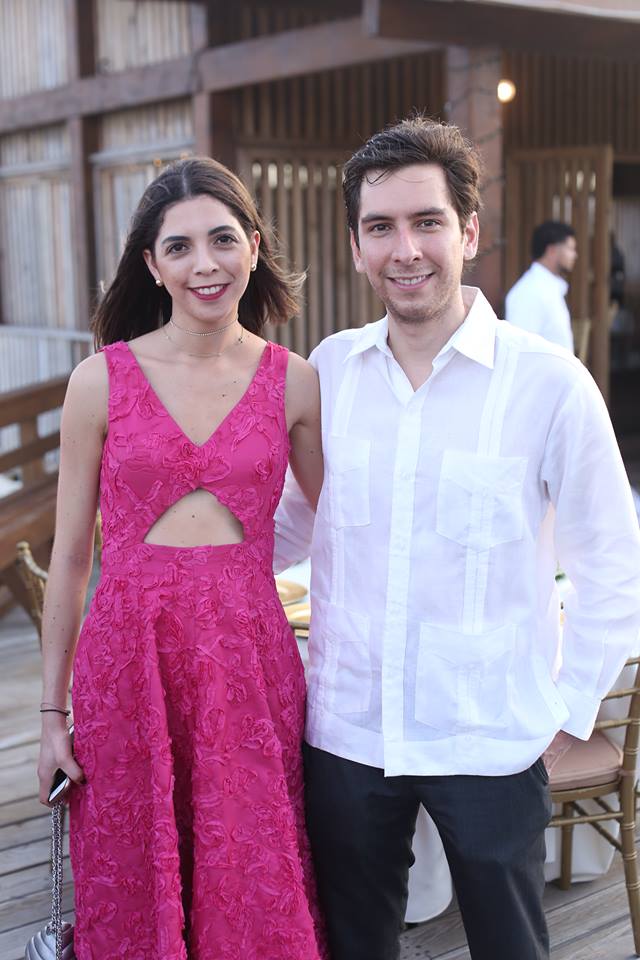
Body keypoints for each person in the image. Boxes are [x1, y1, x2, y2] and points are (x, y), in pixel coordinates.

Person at [273, 118, 640, 960]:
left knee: (510, 946)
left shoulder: (551, 384)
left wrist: (569, 709)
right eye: (380, 227)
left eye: (426, 222)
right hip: (348, 729)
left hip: (491, 735)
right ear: (357, 246)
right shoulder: (328, 372)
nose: (405, 250)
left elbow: (613, 567)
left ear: (469, 232)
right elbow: (292, 519)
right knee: (354, 943)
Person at [37, 157, 326, 960]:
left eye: (224, 239)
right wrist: (52, 717)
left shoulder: (296, 382)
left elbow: (346, 529)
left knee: (251, 868)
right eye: (180, 246)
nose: (206, 263)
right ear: (152, 264)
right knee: (135, 870)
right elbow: (70, 558)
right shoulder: (98, 381)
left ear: (254, 247)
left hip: (249, 660)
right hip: (128, 660)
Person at [505, 220, 577, 351]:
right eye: (570, 249)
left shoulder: (547, 288)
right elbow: (520, 349)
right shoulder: (529, 291)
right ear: (552, 250)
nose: (574, 255)